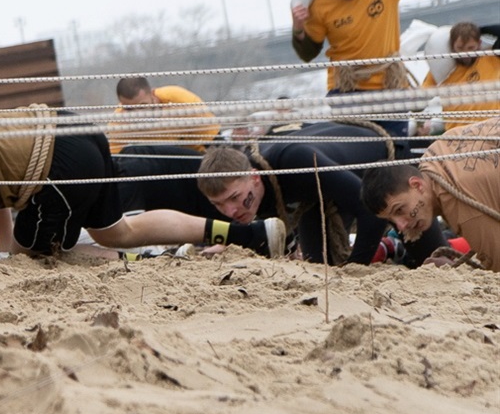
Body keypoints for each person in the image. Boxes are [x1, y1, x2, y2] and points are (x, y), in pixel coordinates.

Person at [0, 111, 286, 265]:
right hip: (74, 133)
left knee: (41, 259)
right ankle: (251, 235)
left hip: (55, 165)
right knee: (116, 233)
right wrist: (8, 249)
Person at [195, 121, 442, 267]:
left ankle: (396, 247)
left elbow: (370, 214)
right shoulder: (250, 190)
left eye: (235, 198)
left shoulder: (296, 161)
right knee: (319, 268)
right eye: (219, 205)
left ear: (254, 177)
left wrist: (354, 270)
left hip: (382, 164)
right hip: (319, 195)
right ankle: (392, 250)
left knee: (434, 261)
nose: (231, 211)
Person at [292, 0, 450, 134]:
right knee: (358, 149)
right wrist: (298, 28)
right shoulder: (320, 1)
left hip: (390, 85)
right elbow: (308, 54)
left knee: (395, 147)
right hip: (347, 90)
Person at [361, 118, 500, 267]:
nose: (401, 226)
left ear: (417, 185)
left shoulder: (459, 204)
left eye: (399, 209)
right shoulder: (437, 151)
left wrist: (455, 272)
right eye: (392, 221)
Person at [107, 76, 218, 154]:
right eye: (129, 109)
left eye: (142, 106)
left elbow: (214, 139)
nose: (137, 114)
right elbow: (114, 157)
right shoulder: (119, 121)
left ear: (152, 94)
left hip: (194, 155)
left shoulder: (180, 100)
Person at [421, 21, 500, 126]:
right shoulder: (441, 67)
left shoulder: (492, 57)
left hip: (492, 130)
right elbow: (421, 97)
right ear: (452, 46)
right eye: (460, 48)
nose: (465, 54)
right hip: (457, 135)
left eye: (470, 48)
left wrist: (480, 29)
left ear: (479, 44)